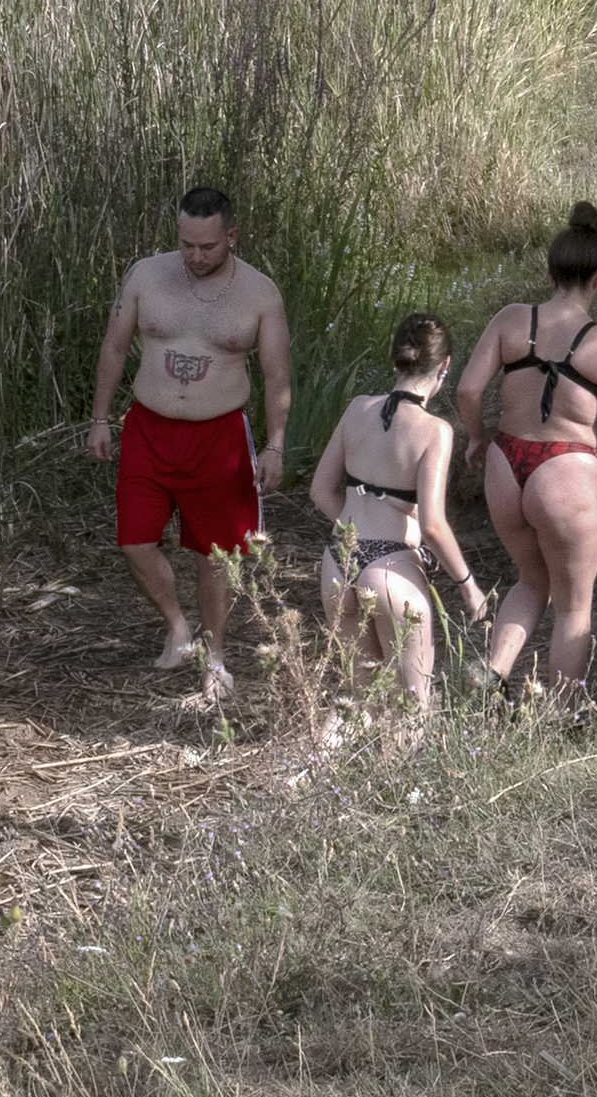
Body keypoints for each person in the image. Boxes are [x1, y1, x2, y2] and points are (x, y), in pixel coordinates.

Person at [87, 186, 295, 698]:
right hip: (148, 428)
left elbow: (277, 375)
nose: (196, 256)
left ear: (231, 236)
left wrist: (275, 445)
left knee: (216, 555)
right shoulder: (145, 275)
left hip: (218, 435)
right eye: (186, 245)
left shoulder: (260, 293)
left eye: (207, 246)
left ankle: (215, 657)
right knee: (134, 539)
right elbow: (114, 348)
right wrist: (98, 418)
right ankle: (179, 630)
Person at [455, 202, 597, 698]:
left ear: (547, 273)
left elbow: (467, 390)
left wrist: (477, 437)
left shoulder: (511, 320)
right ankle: (560, 720)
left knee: (530, 580)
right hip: (564, 469)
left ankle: (493, 673)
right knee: (574, 605)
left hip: (506, 465)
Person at [309, 313, 487, 711]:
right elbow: (433, 525)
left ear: (396, 358)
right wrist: (468, 585)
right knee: (413, 711)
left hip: (339, 561)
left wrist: (359, 530)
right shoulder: (434, 430)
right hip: (391, 569)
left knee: (364, 705)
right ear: (445, 366)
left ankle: (302, 773)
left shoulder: (356, 409)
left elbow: (320, 491)